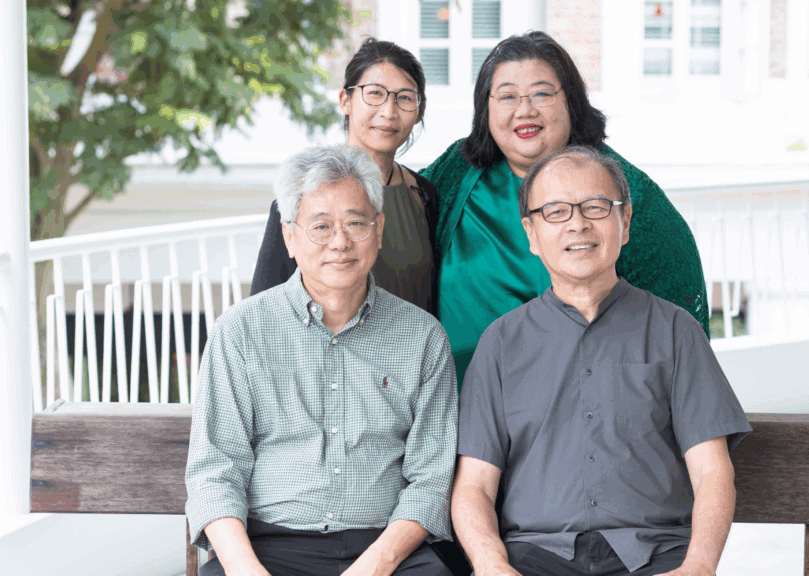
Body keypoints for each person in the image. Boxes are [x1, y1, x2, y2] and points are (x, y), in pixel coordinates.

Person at [451, 146, 751, 576]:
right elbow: (475, 485)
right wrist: (489, 563)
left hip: (656, 556)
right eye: (555, 211)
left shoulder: (675, 330)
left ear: (624, 223)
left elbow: (711, 472)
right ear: (532, 235)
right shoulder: (500, 343)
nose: (577, 223)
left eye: (595, 207)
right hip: (534, 558)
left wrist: (698, 567)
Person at [186, 145, 458, 576]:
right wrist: (245, 568)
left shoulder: (422, 337)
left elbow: (431, 479)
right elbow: (214, 473)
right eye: (321, 226)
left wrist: (377, 564)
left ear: (379, 229)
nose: (340, 242)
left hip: (385, 548)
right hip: (266, 545)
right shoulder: (239, 331)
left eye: (355, 222)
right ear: (290, 235)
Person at [421, 31, 709, 385]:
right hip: (456, 411)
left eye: (541, 93)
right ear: (486, 108)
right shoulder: (453, 174)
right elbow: (386, 218)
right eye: (507, 96)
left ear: (571, 102)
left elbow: (678, 329)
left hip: (579, 416)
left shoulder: (629, 195)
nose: (524, 110)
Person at [251, 38, 439, 314]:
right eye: (375, 93)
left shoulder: (423, 193)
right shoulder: (306, 190)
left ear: (419, 110)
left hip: (413, 353)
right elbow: (264, 304)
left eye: (405, 98)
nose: (389, 112)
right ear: (345, 100)